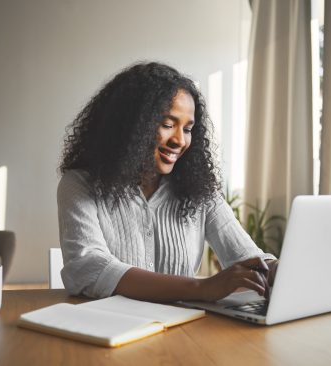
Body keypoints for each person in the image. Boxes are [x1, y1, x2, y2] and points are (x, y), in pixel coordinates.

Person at [57, 62, 278, 303]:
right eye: (168, 125)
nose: (180, 141)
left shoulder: (200, 191)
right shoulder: (79, 184)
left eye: (188, 129)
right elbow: (89, 268)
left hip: (182, 333)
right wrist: (200, 288)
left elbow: (247, 258)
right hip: (110, 331)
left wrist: (278, 270)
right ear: (131, 124)